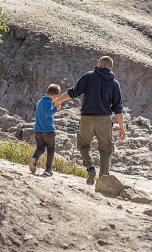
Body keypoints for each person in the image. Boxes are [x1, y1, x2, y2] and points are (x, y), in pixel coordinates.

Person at [54, 56, 126, 185]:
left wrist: (58, 100)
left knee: (83, 145)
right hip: (104, 120)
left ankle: (90, 168)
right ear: (111, 68)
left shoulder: (89, 76)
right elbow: (117, 107)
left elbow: (74, 92)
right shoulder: (114, 83)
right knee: (105, 150)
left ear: (99, 64)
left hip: (86, 118)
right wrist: (121, 127)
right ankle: (103, 179)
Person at [29, 84, 62, 176]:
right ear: (55, 96)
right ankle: (48, 169)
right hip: (48, 130)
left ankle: (34, 159)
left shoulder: (40, 101)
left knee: (40, 148)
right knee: (51, 149)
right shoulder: (49, 102)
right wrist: (56, 109)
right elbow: (47, 113)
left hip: (38, 130)